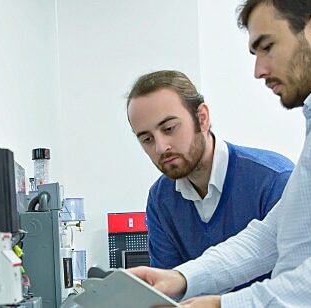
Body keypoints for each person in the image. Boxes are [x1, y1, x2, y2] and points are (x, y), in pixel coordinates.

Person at [129, 1, 311, 307]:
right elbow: (270, 237)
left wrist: (229, 305)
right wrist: (182, 278)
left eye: (267, 46)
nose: (259, 70)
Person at [126, 70, 293, 291]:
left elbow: (296, 289)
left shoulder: (274, 180)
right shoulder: (161, 199)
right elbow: (167, 296)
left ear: (202, 118)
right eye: (147, 139)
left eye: (169, 129)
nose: (160, 147)